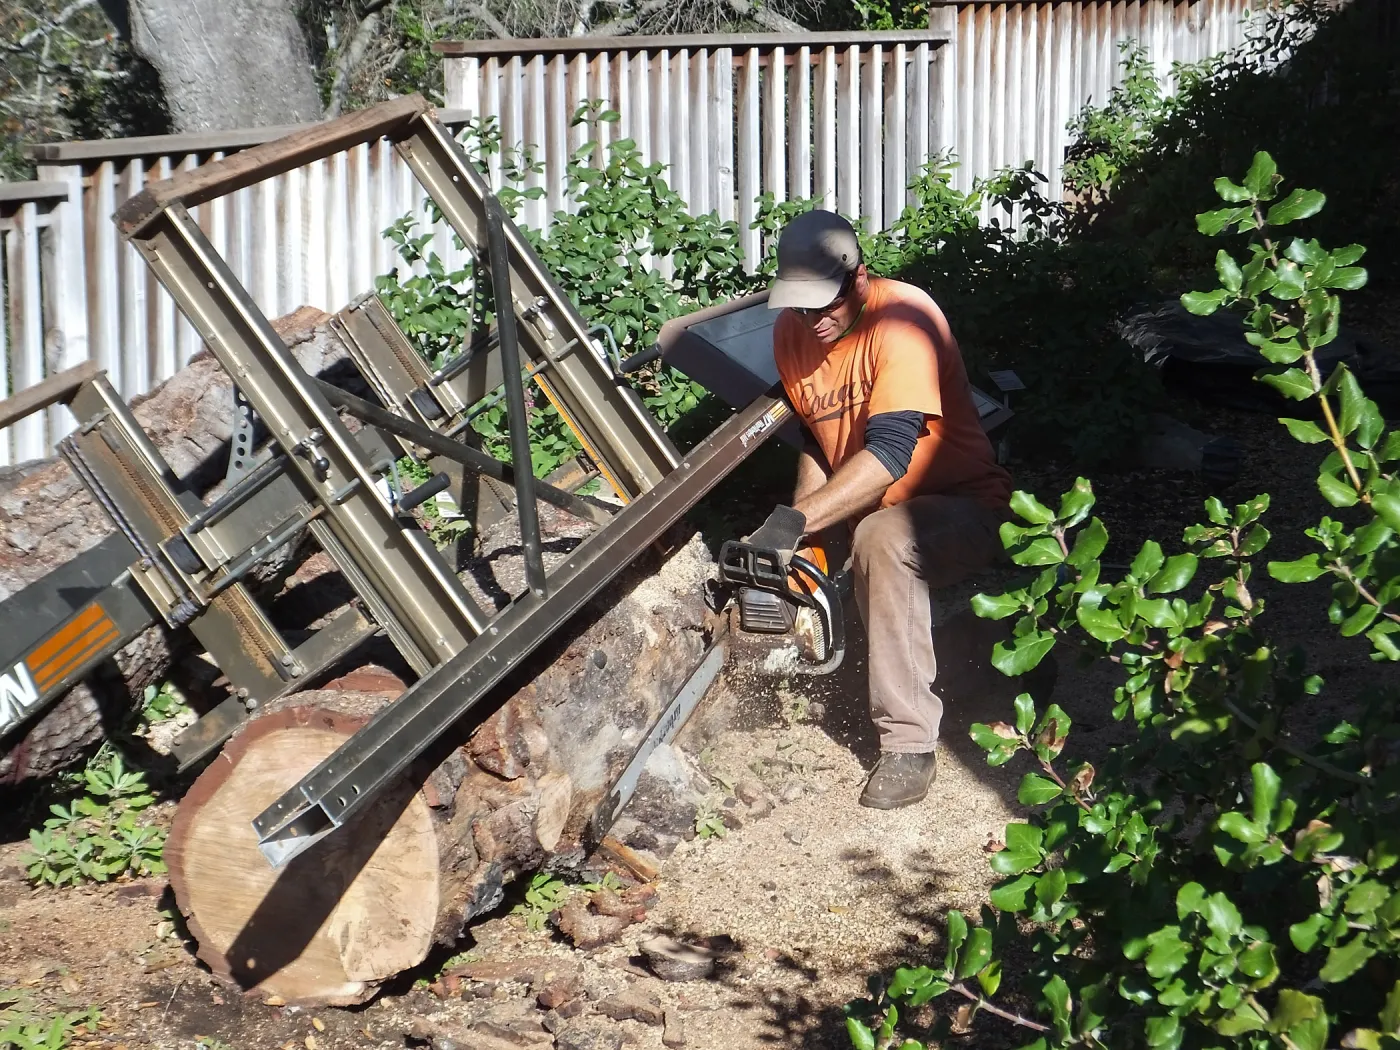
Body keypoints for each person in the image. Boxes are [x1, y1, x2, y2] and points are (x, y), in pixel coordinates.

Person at [745, 209, 1014, 810]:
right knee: (831, 544)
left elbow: (891, 453)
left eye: (825, 305)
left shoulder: (904, 318)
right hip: (869, 505)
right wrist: (804, 537)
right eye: (800, 306)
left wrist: (794, 524)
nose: (813, 321)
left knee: (883, 537)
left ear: (859, 279)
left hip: (963, 505)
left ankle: (909, 743)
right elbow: (818, 438)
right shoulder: (792, 332)